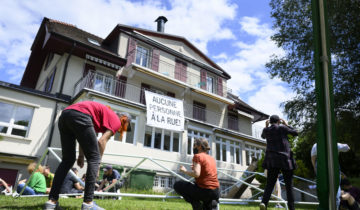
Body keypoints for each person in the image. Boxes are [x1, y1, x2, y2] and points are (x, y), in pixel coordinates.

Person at [44, 101, 132, 210]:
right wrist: (98, 163)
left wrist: (81, 155)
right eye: (122, 129)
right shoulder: (116, 120)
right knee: (95, 158)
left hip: (65, 115)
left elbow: (83, 136)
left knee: (68, 160)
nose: (119, 130)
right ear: (124, 120)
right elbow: (102, 141)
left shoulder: (101, 116)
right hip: (80, 115)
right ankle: (88, 204)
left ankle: (51, 202)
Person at [260, 115, 298, 210]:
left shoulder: (266, 130)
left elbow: (262, 136)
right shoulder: (282, 128)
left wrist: (266, 126)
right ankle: (291, 208)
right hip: (285, 159)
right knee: (289, 185)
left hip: (272, 160)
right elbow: (295, 133)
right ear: (279, 121)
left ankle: (264, 203)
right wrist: (287, 124)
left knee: (270, 184)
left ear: (270, 121)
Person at [173, 137, 219, 210]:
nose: (193, 147)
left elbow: (197, 174)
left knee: (178, 185)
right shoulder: (211, 158)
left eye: (194, 145)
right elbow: (207, 172)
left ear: (199, 146)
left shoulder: (197, 156)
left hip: (204, 191)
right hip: (215, 192)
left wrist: (184, 171)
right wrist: (195, 168)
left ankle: (196, 204)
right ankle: (208, 205)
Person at [311, 142, 350, 209]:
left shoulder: (316, 145)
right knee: (335, 194)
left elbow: (313, 159)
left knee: (327, 195)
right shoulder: (334, 144)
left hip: (325, 170)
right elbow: (347, 147)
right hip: (331, 170)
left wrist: (316, 169)